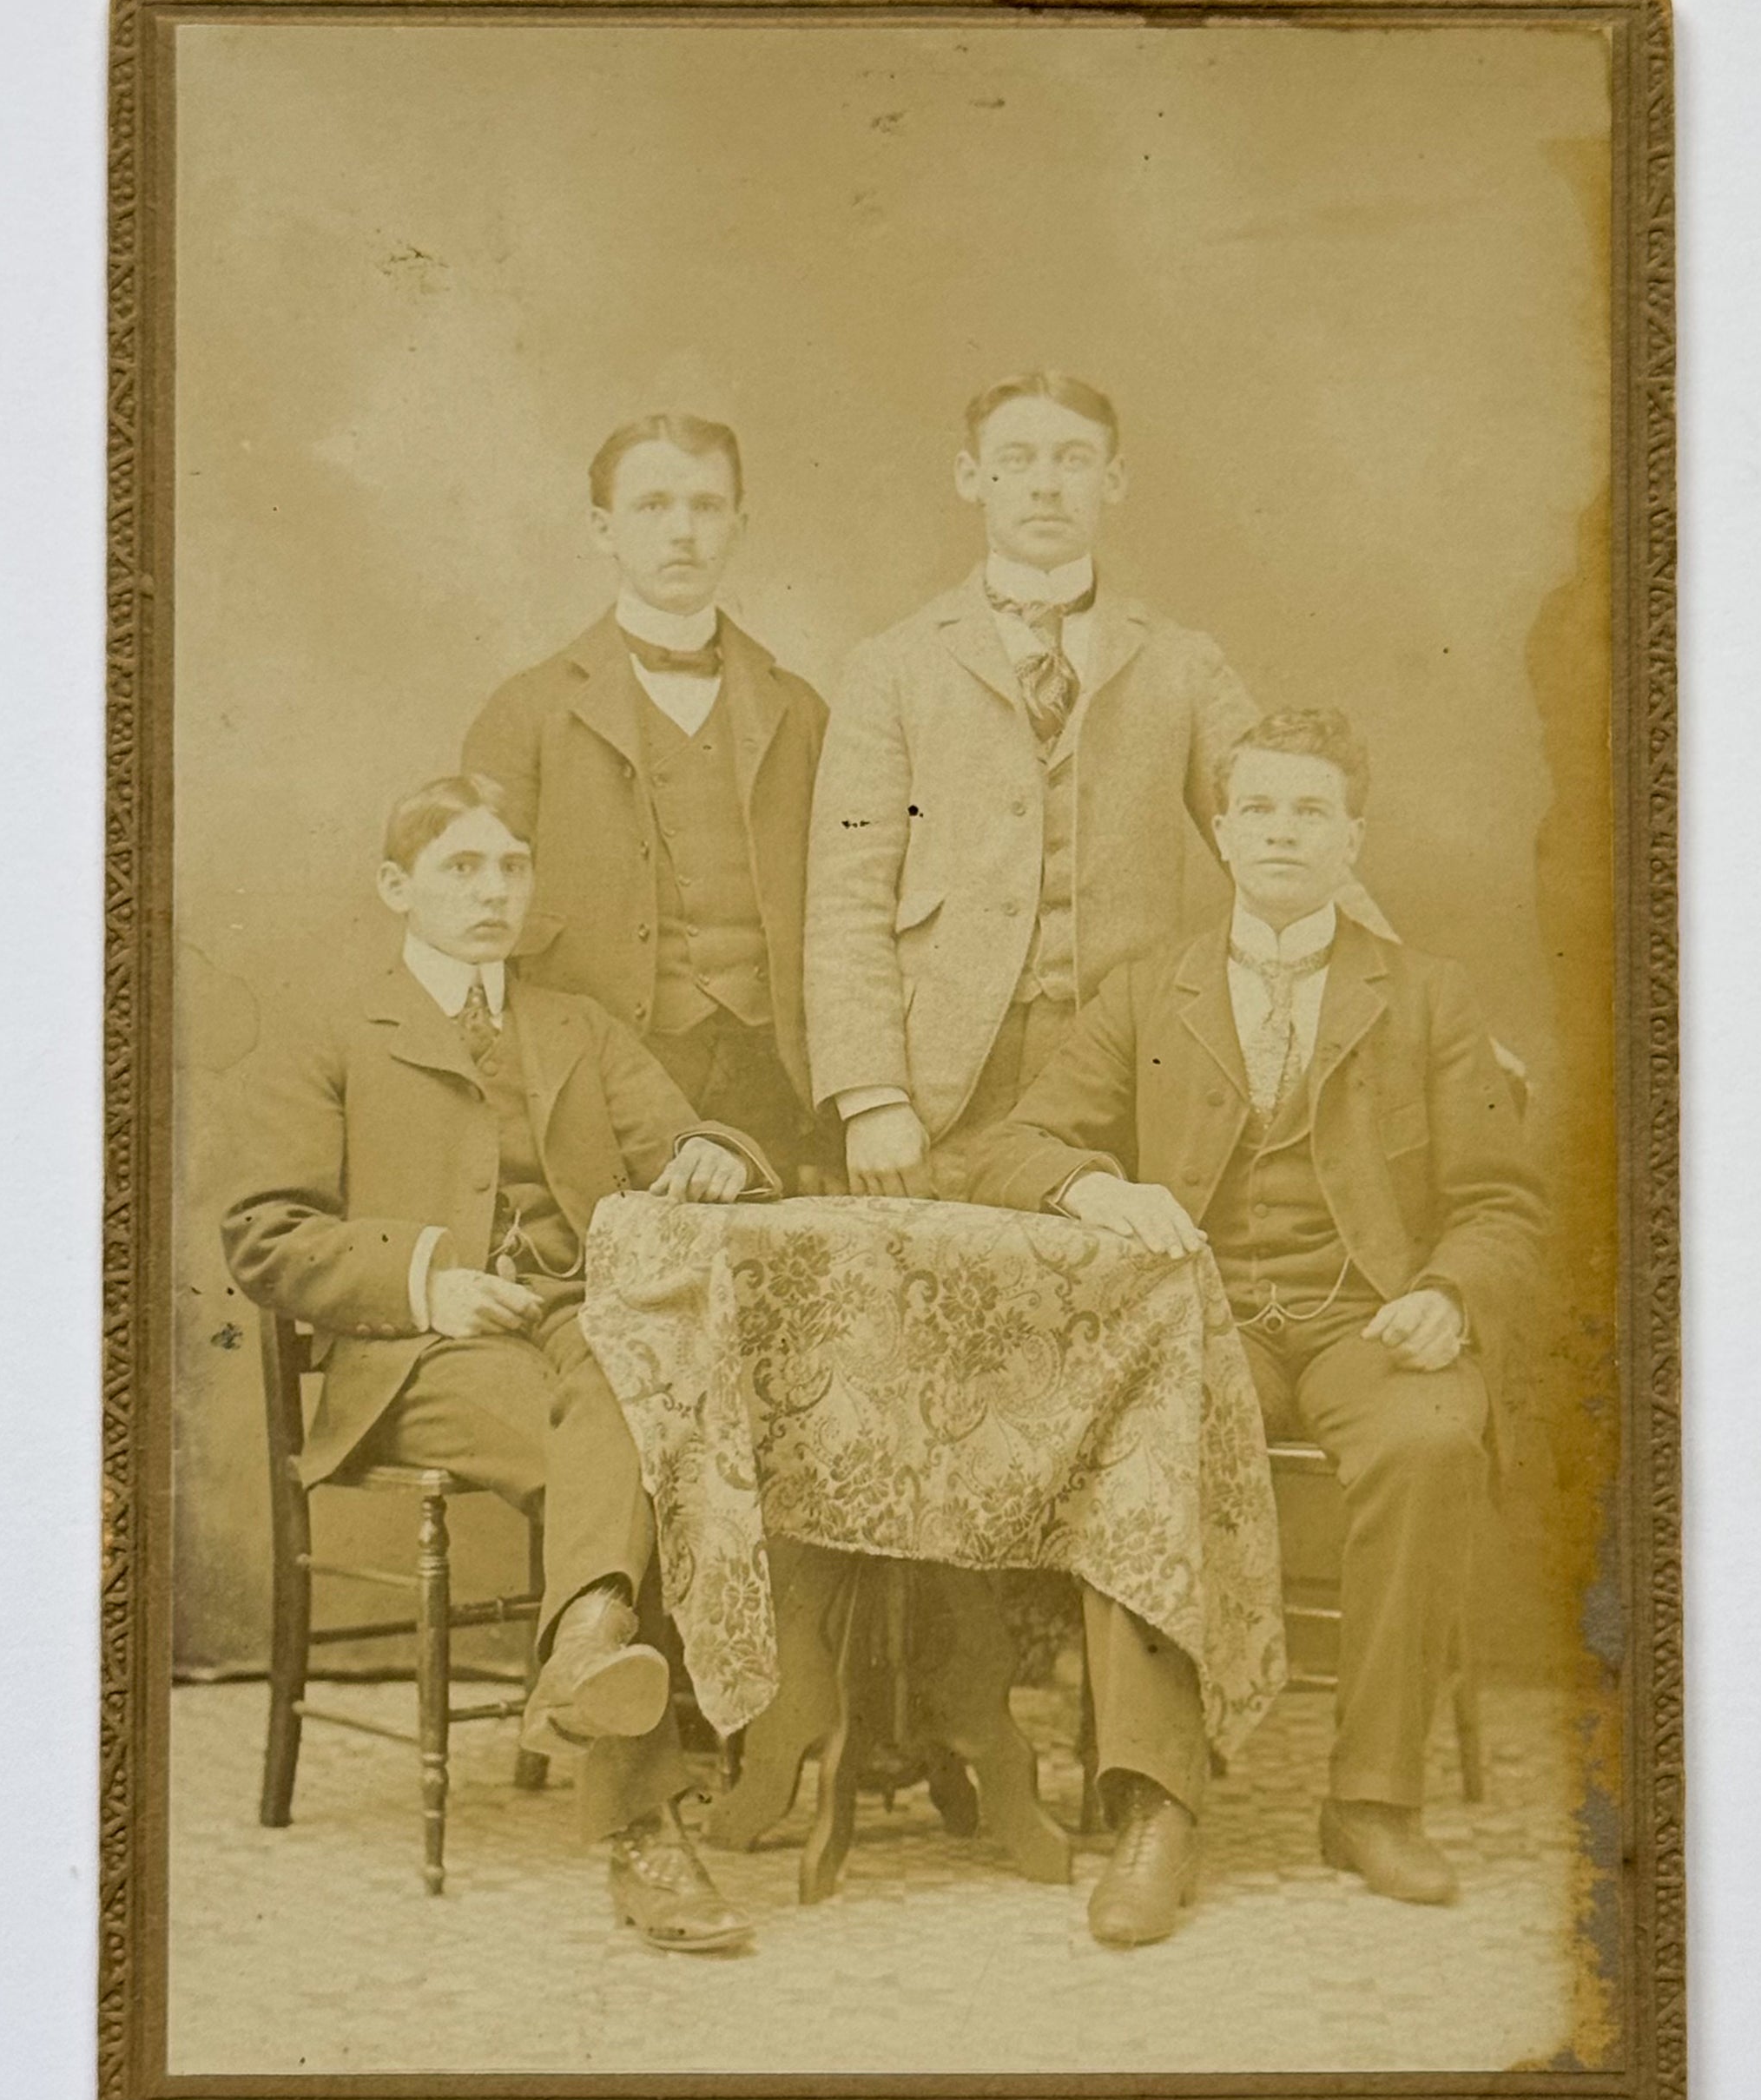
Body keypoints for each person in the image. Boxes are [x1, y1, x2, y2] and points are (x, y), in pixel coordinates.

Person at [969, 709, 1545, 1944]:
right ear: (1223, 833)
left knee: (1431, 1441)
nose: (1285, 832)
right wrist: (1096, 1186)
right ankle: (1157, 1807)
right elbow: (1012, 1144)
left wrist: (1449, 1291)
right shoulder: (1146, 991)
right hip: (1205, 1322)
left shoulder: (1427, 997)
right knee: (1142, 1444)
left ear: (1353, 842)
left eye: (1313, 813)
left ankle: (1372, 1800)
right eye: (1262, 810)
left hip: (1367, 1322)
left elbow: (1502, 1201)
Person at [221, 773, 776, 1953]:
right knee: (635, 1433)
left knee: (628, 1399)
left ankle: (587, 1647)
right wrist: (427, 1273)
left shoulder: (574, 1024)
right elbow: (265, 1236)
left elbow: (677, 1135)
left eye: (512, 867)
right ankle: (644, 1838)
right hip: (424, 1356)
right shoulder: (332, 1028)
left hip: (584, 1327)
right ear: (396, 887)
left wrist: (715, 1155)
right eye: (463, 869)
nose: (494, 892)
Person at [804, 370, 1396, 1198]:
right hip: (936, 1091)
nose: (1046, 483)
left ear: (1113, 481)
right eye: (1018, 458)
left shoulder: (1182, 664)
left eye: (1074, 459)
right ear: (971, 477)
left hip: (1128, 1082)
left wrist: (1415, 1006)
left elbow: (1293, 843)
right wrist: (872, 1096)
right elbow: (846, 898)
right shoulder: (892, 667)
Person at [461, 412, 831, 1189]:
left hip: (776, 1081)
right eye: (652, 507)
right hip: (605, 1084)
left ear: (739, 522)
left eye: (705, 506)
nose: (683, 533)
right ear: (603, 528)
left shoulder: (799, 711)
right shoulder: (526, 712)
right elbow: (474, 928)